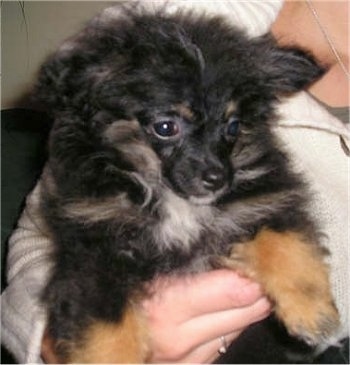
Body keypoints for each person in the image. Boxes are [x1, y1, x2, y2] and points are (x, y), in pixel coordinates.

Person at [1, 0, 349, 363]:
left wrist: (295, 276)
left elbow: (280, 216)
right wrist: (56, 344)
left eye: (229, 129)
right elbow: (66, 256)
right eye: (167, 128)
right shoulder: (159, 28)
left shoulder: (255, 170)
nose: (213, 168)